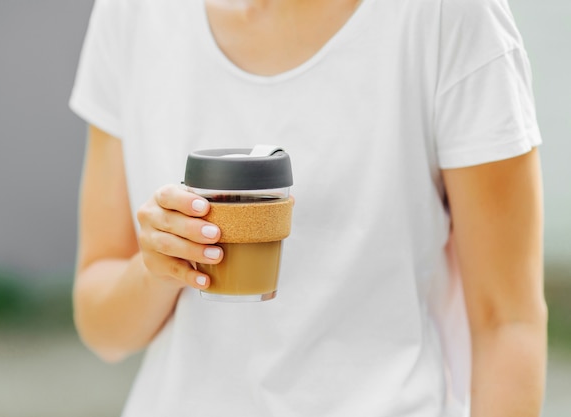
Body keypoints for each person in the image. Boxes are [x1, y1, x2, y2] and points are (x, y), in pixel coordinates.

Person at [69, 0, 547, 416]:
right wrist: (160, 264)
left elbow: (508, 322)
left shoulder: (447, 15)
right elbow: (101, 326)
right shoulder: (132, 14)